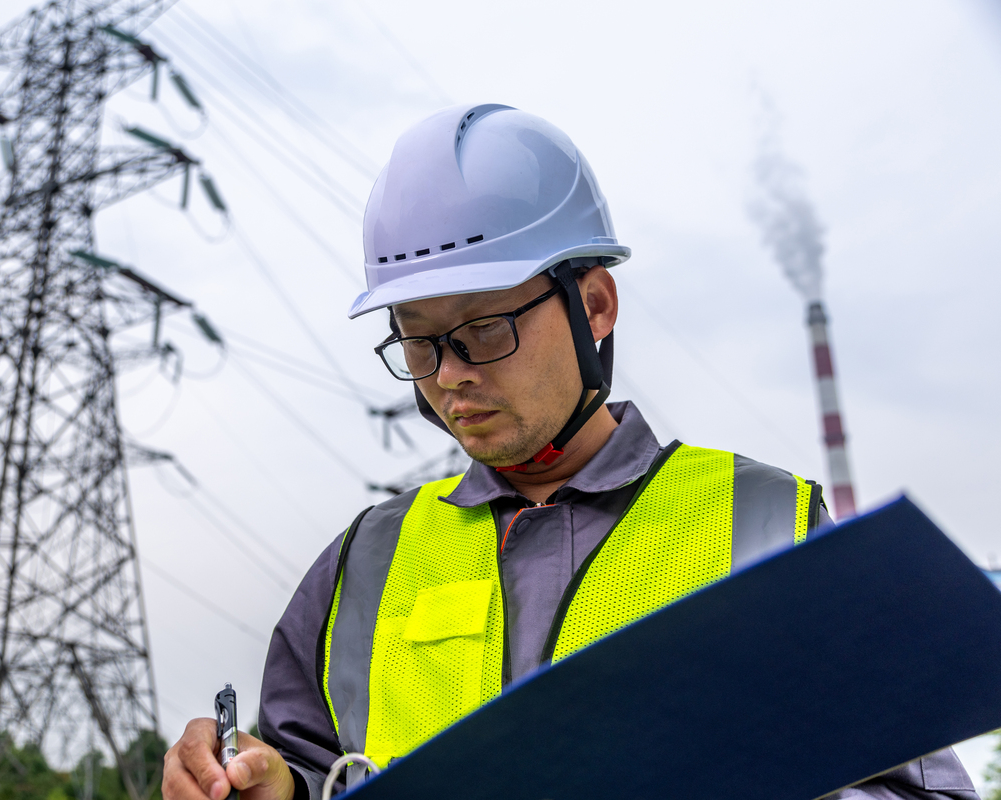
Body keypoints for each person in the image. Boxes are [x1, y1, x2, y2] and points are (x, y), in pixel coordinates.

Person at [162, 105, 978, 800]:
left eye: (484, 330)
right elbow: (307, 765)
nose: (451, 378)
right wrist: (271, 785)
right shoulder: (361, 568)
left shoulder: (766, 523)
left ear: (593, 305)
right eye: (418, 345)